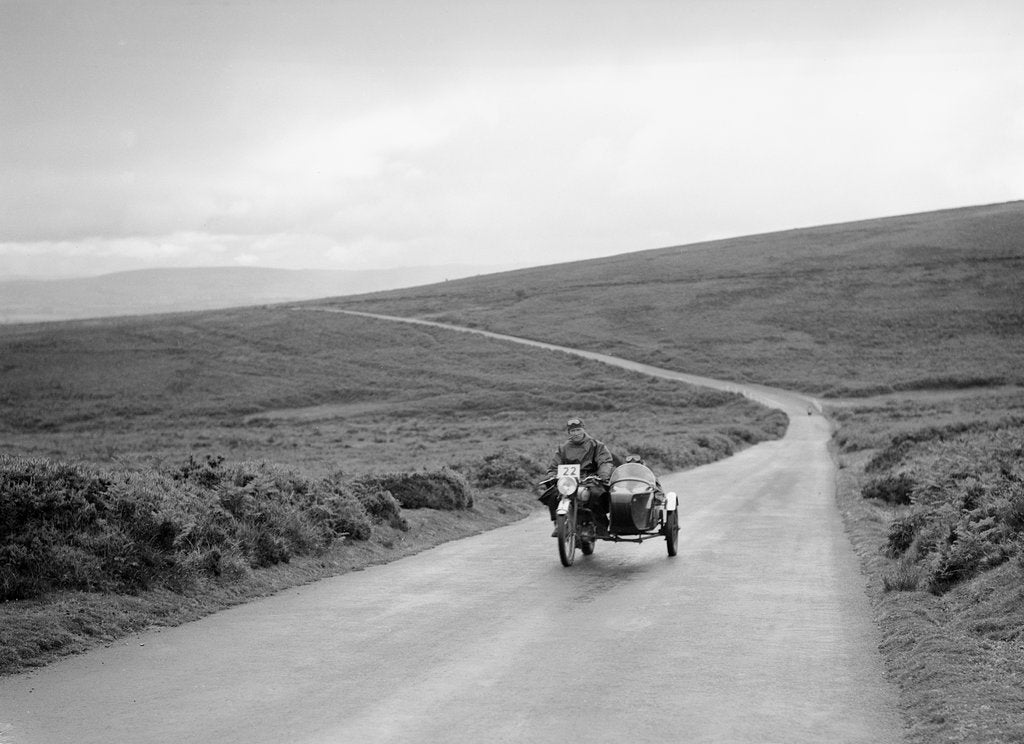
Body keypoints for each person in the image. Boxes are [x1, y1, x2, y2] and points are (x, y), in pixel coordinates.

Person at [540, 417, 614, 536]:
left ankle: (601, 527)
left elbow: (604, 462)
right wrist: (552, 475)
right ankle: (558, 523)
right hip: (568, 481)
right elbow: (554, 466)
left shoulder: (596, 445)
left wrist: (603, 475)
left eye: (578, 430)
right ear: (569, 432)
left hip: (589, 479)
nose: (576, 433)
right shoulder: (563, 448)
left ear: (583, 430)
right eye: (572, 431)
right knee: (553, 495)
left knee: (596, 496)